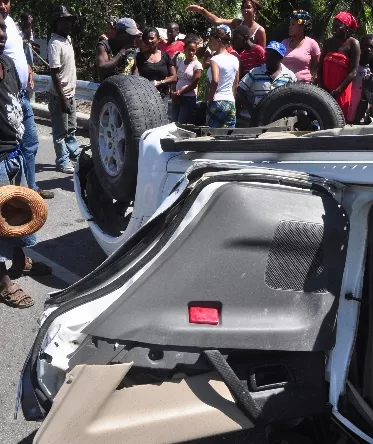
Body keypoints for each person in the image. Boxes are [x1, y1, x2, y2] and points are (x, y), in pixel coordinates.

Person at [0, 13, 51, 308]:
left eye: (2, 27)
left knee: (16, 214)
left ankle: (18, 260)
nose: (2, 33)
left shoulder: (6, 64)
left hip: (12, 153)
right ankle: (3, 280)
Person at [0, 0, 54, 199]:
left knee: (30, 143)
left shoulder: (11, 24)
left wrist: (28, 68)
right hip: (5, 97)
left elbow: (19, 49)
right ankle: (12, 197)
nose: (3, 5)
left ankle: (30, 188)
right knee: (8, 148)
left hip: (21, 95)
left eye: (6, 1)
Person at [48, 5, 80, 174]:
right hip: (59, 95)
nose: (69, 25)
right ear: (58, 22)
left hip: (70, 93)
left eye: (70, 21)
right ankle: (62, 161)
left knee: (72, 128)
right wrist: (62, 98)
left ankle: (73, 155)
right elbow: (54, 73)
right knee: (60, 131)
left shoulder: (67, 40)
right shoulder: (54, 43)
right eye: (66, 21)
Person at [318, 12, 360, 119]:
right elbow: (320, 67)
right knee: (323, 118)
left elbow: (353, 72)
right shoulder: (328, 43)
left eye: (338, 25)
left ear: (346, 27)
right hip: (325, 89)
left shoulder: (353, 44)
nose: (334, 28)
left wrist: (338, 90)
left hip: (341, 90)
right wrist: (322, 88)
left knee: (338, 119)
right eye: (333, 25)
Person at [237, 41, 296, 114]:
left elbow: (295, 97)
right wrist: (251, 110)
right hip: (259, 117)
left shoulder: (289, 76)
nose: (267, 58)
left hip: (280, 117)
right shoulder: (255, 72)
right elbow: (241, 89)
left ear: (280, 58)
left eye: (272, 55)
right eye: (267, 54)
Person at [187, 0, 266, 48]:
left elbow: (262, 55)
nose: (245, 10)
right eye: (243, 7)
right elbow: (217, 21)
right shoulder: (237, 23)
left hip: (250, 69)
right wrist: (201, 10)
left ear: (255, 10)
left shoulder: (259, 31)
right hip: (235, 65)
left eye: (248, 7)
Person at [206, 27, 239, 128]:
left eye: (211, 40)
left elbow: (215, 80)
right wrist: (232, 99)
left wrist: (210, 99)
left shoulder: (215, 59)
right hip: (230, 102)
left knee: (213, 137)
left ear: (219, 40)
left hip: (217, 101)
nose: (209, 42)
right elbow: (236, 84)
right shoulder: (235, 59)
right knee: (227, 138)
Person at [135, 27, 177, 104]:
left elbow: (174, 77)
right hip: (144, 98)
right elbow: (135, 78)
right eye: (146, 39)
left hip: (163, 98)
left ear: (158, 39)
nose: (149, 41)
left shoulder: (165, 56)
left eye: (152, 38)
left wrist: (160, 82)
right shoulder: (139, 57)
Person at [281, 10, 320, 82]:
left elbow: (318, 65)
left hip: (304, 87)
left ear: (302, 27)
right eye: (290, 24)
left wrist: (314, 78)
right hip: (284, 86)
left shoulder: (311, 43)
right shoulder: (284, 43)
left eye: (293, 24)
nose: (290, 27)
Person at [172, 35, 203, 123]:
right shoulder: (180, 62)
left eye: (193, 50)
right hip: (177, 97)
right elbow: (175, 78)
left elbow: (193, 85)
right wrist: (173, 92)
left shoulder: (197, 65)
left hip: (188, 98)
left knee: (182, 123)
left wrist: (179, 92)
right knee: (173, 122)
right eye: (189, 49)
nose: (191, 52)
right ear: (184, 49)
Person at [347, 35, 373, 122]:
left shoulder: (371, 70)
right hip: (346, 109)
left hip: (364, 117)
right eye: (366, 45)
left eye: (372, 47)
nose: (369, 49)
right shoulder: (352, 65)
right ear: (360, 46)